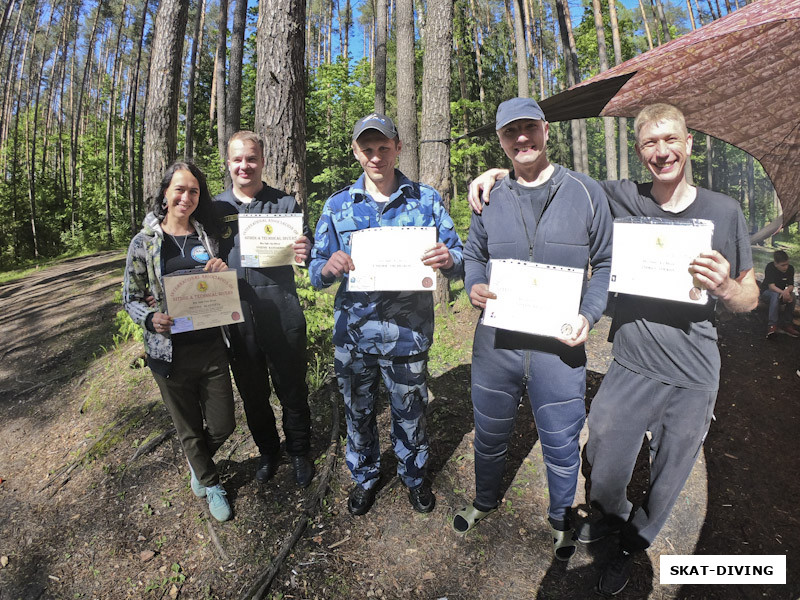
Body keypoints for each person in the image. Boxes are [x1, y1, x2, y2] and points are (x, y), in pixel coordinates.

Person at [469, 104, 759, 595]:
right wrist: (499, 172)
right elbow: (545, 178)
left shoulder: (724, 210)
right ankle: (611, 516)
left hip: (694, 369)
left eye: (670, 140)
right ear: (639, 150)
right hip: (631, 360)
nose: (661, 152)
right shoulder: (621, 197)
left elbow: (749, 295)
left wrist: (728, 287)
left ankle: (632, 543)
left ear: (689, 143)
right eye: (649, 143)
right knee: (601, 458)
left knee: (669, 472)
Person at [454, 97, 612, 563]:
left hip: (558, 347)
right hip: (497, 344)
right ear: (500, 141)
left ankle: (561, 517)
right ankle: (485, 498)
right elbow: (473, 255)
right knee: (489, 431)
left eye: (529, 128)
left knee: (562, 440)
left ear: (545, 130)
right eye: (510, 132)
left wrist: (589, 313)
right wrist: (475, 285)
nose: (521, 139)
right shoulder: (489, 196)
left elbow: (603, 262)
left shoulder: (585, 191)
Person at [309, 113, 464, 515]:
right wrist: (328, 267)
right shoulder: (338, 205)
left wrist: (448, 259)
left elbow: (461, 258)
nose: (375, 157)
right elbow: (315, 270)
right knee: (358, 414)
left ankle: (413, 476)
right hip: (354, 337)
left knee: (410, 413)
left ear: (397, 147)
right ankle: (365, 476)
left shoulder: (425, 199)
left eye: (383, 148)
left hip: (407, 335)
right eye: (367, 149)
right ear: (356, 152)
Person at [124, 161, 236, 522]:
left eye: (194, 191)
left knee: (223, 425)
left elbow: (215, 287)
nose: (186, 197)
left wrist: (222, 273)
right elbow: (131, 297)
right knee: (188, 427)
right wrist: (149, 318)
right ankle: (209, 481)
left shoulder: (206, 237)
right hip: (169, 353)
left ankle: (198, 460)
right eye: (179, 189)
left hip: (211, 346)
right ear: (165, 193)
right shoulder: (144, 243)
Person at [213, 131, 314, 488]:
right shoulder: (215, 209)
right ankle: (269, 452)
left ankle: (300, 451)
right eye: (238, 159)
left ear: (263, 161)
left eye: (252, 158)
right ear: (228, 163)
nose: (245, 165)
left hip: (282, 308)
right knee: (253, 393)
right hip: (236, 315)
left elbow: (308, 250)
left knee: (292, 388)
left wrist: (305, 250)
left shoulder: (285, 204)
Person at [760, 249, 798, 338]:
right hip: (767, 293)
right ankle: (772, 325)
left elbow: (791, 285)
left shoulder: (790, 269)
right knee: (775, 295)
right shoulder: (770, 267)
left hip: (780, 293)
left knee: (793, 297)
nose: (785, 267)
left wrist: (787, 292)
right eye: (782, 265)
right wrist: (783, 292)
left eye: (787, 264)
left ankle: (787, 324)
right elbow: (771, 287)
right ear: (776, 264)